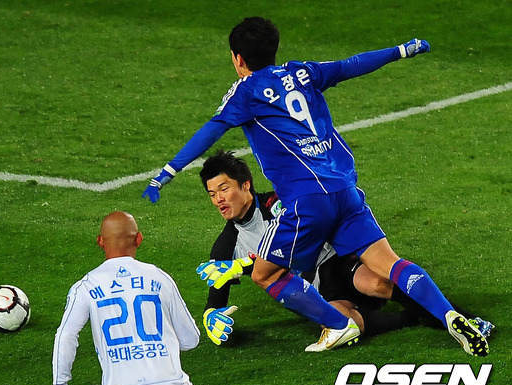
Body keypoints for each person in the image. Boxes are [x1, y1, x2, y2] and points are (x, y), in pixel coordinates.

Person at [142, 17, 489, 356]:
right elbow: (352, 65)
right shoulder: (302, 72)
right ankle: (449, 315)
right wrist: (400, 50)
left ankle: (337, 325)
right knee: (391, 264)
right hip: (345, 189)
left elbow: (211, 130)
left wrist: (167, 172)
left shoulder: (244, 92)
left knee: (265, 274)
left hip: (307, 199)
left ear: (238, 58)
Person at [195, 151, 494, 346]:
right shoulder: (225, 246)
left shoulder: (280, 204)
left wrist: (243, 266)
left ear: (246, 185)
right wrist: (211, 318)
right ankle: (408, 318)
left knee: (377, 283)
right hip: (316, 293)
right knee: (346, 325)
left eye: (224, 189)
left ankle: (464, 320)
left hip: (333, 264)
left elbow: (298, 251)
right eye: (212, 194)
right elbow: (215, 298)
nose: (219, 200)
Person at [48, 211, 206, 385]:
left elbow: (66, 335)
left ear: (100, 242)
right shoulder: (160, 278)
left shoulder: (86, 286)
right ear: (139, 239)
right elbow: (190, 340)